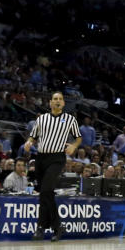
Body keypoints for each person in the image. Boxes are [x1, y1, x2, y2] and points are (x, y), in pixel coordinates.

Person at [24, 91, 81, 241]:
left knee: (46, 190)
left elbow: (78, 138)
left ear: (63, 103)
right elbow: (33, 136)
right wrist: (29, 142)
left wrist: (74, 146)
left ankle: (42, 227)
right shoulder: (41, 119)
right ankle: (54, 227)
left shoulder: (70, 119)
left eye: (60, 99)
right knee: (45, 194)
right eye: (55, 99)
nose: (57, 101)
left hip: (57, 158)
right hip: (41, 158)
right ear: (50, 102)